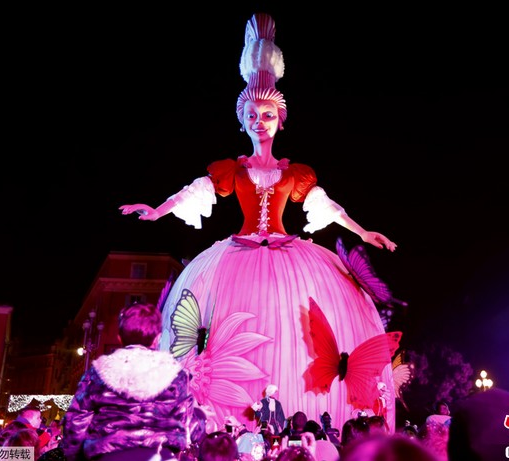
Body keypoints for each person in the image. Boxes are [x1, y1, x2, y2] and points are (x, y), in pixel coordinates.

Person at [119, 11, 399, 432]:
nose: (259, 122)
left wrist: (362, 232)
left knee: (310, 331)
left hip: (291, 251)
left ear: (281, 119)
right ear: (241, 119)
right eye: (252, 114)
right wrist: (157, 210)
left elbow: (327, 206)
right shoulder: (233, 169)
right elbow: (195, 191)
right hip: (238, 252)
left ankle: (316, 428)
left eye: (267, 114)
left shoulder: (293, 173)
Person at [61, 302, 205, 461]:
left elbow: (75, 424)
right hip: (161, 456)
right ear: (157, 339)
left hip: (109, 457)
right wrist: (201, 417)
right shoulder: (176, 375)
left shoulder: (98, 373)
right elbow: (191, 428)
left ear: (119, 337)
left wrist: (74, 457)